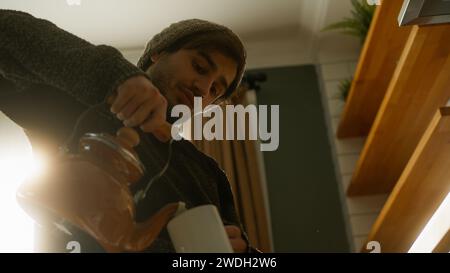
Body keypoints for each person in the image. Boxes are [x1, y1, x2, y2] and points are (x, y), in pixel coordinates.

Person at [0, 9, 254, 253]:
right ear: (158, 52)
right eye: (199, 67)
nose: (203, 88)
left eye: (216, 91)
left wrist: (243, 252)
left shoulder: (208, 172)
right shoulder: (82, 104)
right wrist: (116, 76)